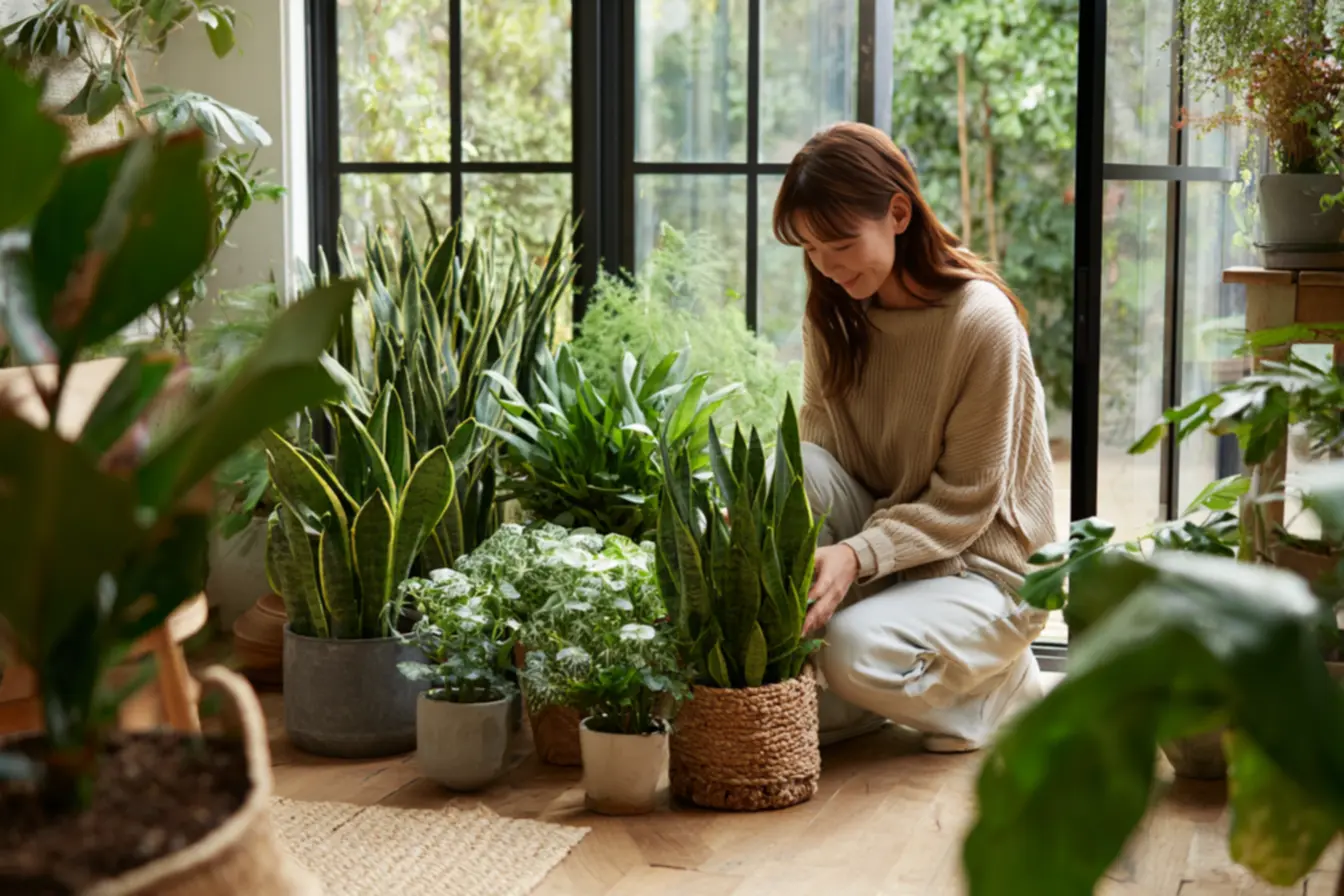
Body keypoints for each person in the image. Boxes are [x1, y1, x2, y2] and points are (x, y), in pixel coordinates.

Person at [772, 122, 1056, 753]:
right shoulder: (834, 318)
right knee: (786, 470)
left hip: (985, 572)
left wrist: (856, 556)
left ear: (898, 213)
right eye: (811, 249)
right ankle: (889, 690)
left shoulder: (982, 323)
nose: (827, 265)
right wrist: (763, 525)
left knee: (846, 649)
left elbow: (965, 502)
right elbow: (820, 460)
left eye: (841, 243)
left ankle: (996, 689)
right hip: (898, 557)